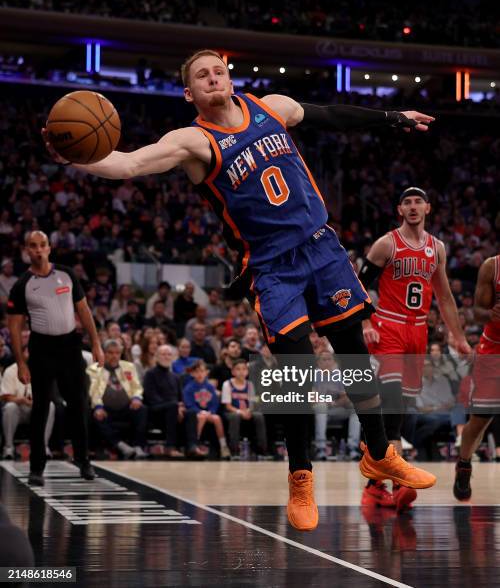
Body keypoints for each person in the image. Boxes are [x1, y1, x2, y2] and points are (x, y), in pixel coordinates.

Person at [43, 49, 437, 531]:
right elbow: (129, 164)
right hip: (271, 266)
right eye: (201, 76)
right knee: (297, 372)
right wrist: (75, 156)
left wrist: (393, 117)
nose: (213, 78)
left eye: (219, 71)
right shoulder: (193, 140)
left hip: (321, 247)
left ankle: (379, 454)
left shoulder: (272, 106)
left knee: (354, 356)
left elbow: (334, 115)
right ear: (190, 93)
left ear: (230, 79)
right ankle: (300, 476)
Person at [360, 187, 471, 511]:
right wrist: (366, 323)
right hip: (389, 326)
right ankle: (394, 482)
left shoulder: (437, 248)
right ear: (399, 210)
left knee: (400, 410)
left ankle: (375, 484)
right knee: (393, 404)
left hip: (418, 331)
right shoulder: (386, 243)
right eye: (406, 202)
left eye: (417, 201)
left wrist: (458, 337)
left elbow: (446, 297)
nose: (412, 206)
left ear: (427, 207)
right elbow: (359, 285)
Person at [7, 231, 103, 485]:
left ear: (49, 248)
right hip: (41, 347)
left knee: (79, 403)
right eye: (33, 246)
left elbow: (83, 310)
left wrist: (96, 343)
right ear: (27, 250)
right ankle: (37, 467)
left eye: (42, 245)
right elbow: (14, 327)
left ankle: (83, 460)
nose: (38, 250)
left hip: (70, 345)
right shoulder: (22, 285)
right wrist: (20, 362)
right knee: (41, 407)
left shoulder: (67, 274)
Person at [453, 255, 500, 501]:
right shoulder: (492, 267)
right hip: (493, 351)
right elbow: (477, 313)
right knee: (480, 420)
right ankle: (464, 463)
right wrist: (491, 314)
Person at [88, 339, 148, 459]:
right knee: (96, 414)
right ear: (103, 353)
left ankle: (138, 446)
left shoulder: (128, 367)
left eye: (117, 353)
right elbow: (93, 391)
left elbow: (136, 386)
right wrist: (98, 407)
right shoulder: (94, 369)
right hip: (105, 408)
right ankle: (121, 446)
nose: (114, 356)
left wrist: (136, 398)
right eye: (110, 352)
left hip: (127, 407)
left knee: (142, 409)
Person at [143, 345, 206, 458]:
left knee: (191, 412)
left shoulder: (175, 377)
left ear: (172, 358)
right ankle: (170, 447)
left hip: (174, 410)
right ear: (156, 357)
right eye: (163, 354)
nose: (166, 357)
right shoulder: (150, 374)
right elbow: (151, 397)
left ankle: (192, 447)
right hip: (156, 411)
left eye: (169, 354)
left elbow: (180, 398)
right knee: (172, 406)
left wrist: (180, 407)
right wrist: (175, 406)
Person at [0, 341, 55, 460]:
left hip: (36, 407)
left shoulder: (42, 370)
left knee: (50, 406)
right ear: (22, 353)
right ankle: (8, 448)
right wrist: (21, 400)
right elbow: (5, 396)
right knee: (10, 407)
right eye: (29, 351)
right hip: (18, 408)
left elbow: (48, 393)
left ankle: (44, 447)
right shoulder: (11, 370)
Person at [183, 360, 231, 459]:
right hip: (197, 412)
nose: (199, 374)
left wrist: (211, 412)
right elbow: (188, 403)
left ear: (206, 372)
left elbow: (215, 402)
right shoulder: (189, 387)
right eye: (196, 372)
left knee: (217, 418)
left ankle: (223, 446)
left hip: (209, 412)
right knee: (201, 417)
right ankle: (195, 444)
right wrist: (200, 411)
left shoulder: (210, 387)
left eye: (202, 371)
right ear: (192, 373)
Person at [221, 358, 267, 455]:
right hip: (232, 412)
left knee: (258, 415)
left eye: (244, 369)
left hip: (247, 411)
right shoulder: (227, 384)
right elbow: (228, 406)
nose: (241, 372)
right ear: (233, 371)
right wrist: (240, 412)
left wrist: (249, 410)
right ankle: (234, 450)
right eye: (238, 369)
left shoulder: (250, 385)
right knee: (235, 417)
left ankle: (262, 449)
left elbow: (253, 402)